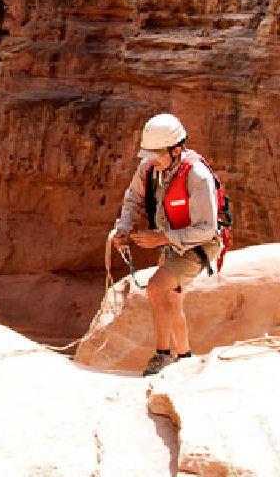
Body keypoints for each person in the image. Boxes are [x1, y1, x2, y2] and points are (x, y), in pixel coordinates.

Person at [112, 113, 221, 377]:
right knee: (172, 300)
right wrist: (123, 228)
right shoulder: (150, 168)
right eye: (149, 154)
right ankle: (184, 357)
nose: (152, 159)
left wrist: (161, 238)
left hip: (199, 245)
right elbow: (133, 197)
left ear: (177, 149)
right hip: (173, 242)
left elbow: (207, 229)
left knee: (157, 288)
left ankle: (163, 356)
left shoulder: (197, 175)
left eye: (158, 154)